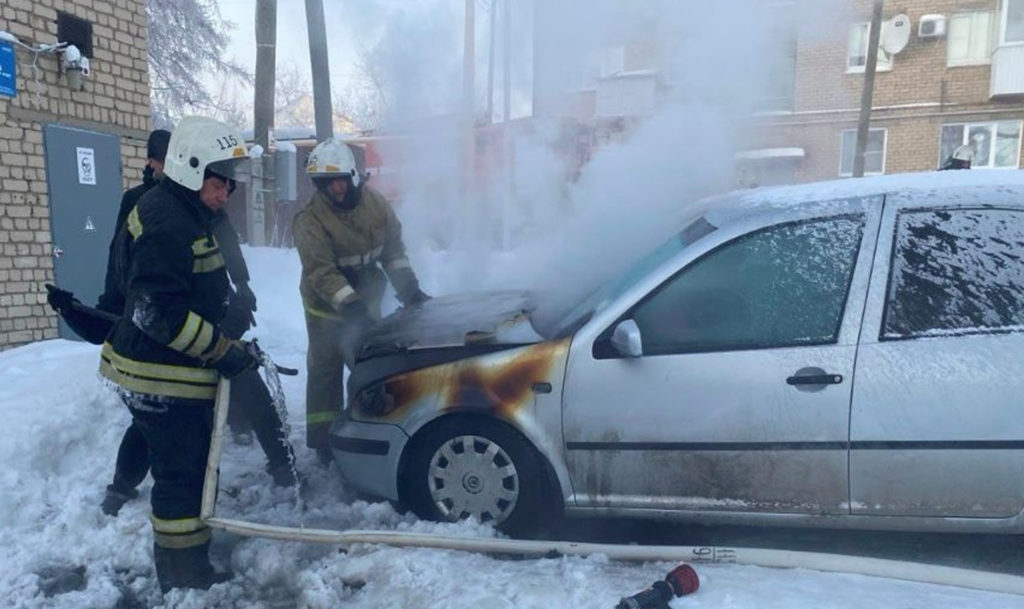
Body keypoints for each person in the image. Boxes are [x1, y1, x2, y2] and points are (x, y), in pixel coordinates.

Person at [45, 130, 297, 518]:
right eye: (161, 163)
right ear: (159, 164)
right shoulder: (149, 206)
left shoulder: (205, 199)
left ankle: (281, 463)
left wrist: (241, 287)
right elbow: (126, 268)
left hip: (205, 320)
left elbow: (225, 241)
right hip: (170, 335)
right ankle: (121, 488)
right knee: (158, 421)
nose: (223, 193)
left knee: (246, 386)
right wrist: (99, 310)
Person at [98, 116, 258, 593]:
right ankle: (183, 576)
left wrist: (231, 307)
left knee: (180, 466)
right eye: (218, 181)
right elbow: (156, 314)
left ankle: (185, 565)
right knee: (181, 476)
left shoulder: (187, 208)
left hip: (168, 368)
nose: (226, 192)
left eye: (230, 183)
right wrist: (220, 349)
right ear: (189, 169)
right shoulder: (168, 220)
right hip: (160, 374)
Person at [292, 138, 429, 464]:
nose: (336, 189)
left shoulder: (376, 206)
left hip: (366, 300)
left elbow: (393, 252)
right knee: (325, 374)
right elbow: (321, 272)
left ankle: (373, 432)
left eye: (340, 180)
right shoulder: (310, 220)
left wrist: (410, 290)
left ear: (353, 176)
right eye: (327, 183)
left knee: (370, 368)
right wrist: (352, 307)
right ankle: (324, 445)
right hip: (325, 308)